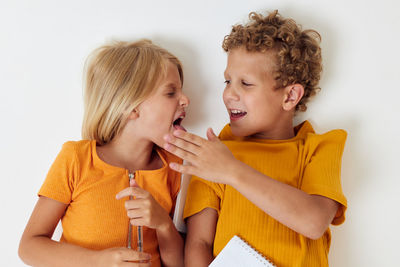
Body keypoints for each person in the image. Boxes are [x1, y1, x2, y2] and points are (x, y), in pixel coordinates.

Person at [163, 10, 347, 267]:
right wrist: (223, 165)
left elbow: (314, 222)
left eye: (246, 84)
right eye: (228, 81)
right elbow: (199, 243)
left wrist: (231, 170)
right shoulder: (213, 154)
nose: (229, 94)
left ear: (290, 96)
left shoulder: (318, 148)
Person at [18, 39, 189, 267]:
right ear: (131, 106)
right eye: (170, 93)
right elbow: (30, 246)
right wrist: (97, 261)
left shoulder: (177, 168)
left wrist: (163, 225)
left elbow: (178, 264)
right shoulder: (76, 159)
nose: (186, 100)